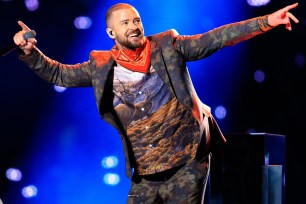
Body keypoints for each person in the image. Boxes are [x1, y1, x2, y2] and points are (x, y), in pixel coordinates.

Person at [12, 2, 299, 203]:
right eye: (125, 23)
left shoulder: (168, 45)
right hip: (146, 173)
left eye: (137, 20)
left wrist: (266, 22)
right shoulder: (101, 65)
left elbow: (216, 38)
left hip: (187, 161)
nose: (134, 26)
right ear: (111, 33)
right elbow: (59, 74)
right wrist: (30, 52)